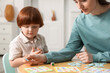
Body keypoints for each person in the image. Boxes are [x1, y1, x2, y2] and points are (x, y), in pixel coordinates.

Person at [26, 0, 110, 65]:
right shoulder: (80, 21)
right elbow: (71, 50)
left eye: (84, 0)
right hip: (94, 68)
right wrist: (44, 57)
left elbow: (93, 57)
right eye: (76, 1)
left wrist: (95, 57)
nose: (79, 6)